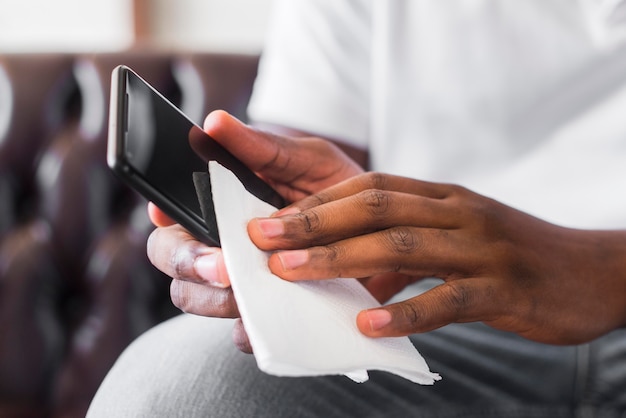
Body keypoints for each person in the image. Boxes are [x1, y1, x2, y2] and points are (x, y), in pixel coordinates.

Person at [88, 1, 626, 416]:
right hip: (432, 308)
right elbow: (301, 142)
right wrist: (279, 224)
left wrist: (603, 269)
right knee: (172, 390)